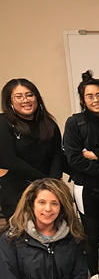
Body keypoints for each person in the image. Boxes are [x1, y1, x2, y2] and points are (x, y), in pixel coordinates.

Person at [64, 71, 99, 279]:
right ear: (83, 100)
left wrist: (97, 155)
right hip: (84, 187)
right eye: (90, 96)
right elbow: (73, 159)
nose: (96, 100)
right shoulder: (75, 123)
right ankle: (93, 277)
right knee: (91, 232)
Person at [0, 79, 62, 218]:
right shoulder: (3, 122)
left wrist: (53, 183)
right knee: (22, 236)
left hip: (48, 192)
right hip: (17, 192)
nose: (25, 100)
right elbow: (7, 159)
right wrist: (43, 181)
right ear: (9, 101)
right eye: (19, 96)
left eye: (29, 95)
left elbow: (57, 156)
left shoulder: (49, 124)